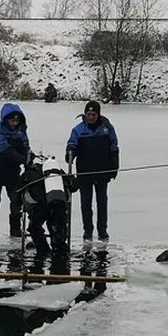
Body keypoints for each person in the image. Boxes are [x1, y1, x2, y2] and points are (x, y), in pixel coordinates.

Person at [65, 100, 119, 242]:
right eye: (88, 114)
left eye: (93, 114)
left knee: (102, 202)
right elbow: (71, 143)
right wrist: (70, 152)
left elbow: (114, 147)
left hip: (102, 172)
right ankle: (87, 231)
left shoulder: (107, 128)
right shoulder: (78, 129)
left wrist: (114, 166)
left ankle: (102, 230)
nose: (91, 117)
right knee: (86, 203)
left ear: (98, 114)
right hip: (84, 173)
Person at [0, 102, 30, 238]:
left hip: (13, 173)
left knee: (16, 201)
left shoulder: (21, 131)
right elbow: (5, 150)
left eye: (17, 120)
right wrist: (22, 159)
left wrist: (30, 158)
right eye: (11, 120)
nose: (14, 123)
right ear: (5, 119)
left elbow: (26, 147)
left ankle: (15, 230)